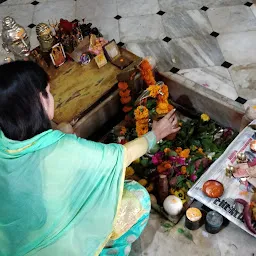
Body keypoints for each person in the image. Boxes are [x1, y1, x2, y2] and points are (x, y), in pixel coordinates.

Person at [0, 61, 180, 256]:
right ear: (39, 101)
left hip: (14, 245)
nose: (53, 98)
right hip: (61, 248)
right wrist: (156, 134)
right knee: (138, 196)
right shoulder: (62, 149)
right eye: (48, 92)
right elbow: (119, 157)